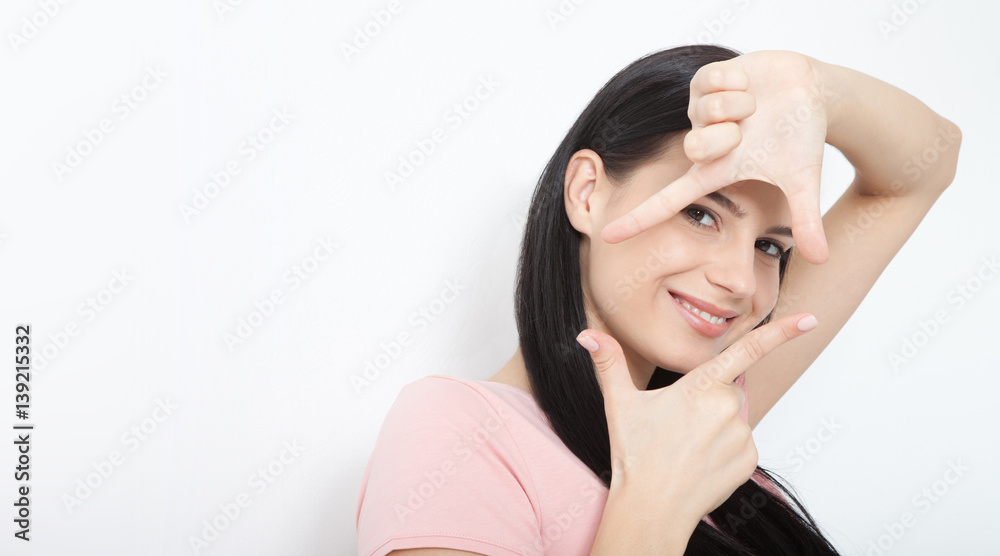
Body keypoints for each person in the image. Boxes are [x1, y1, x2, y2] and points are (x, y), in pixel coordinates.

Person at [355, 44, 961, 555]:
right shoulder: (457, 430)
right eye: (701, 213)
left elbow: (925, 164)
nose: (740, 281)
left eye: (770, 248)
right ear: (588, 193)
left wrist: (815, 86)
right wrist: (654, 502)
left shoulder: (699, 414)